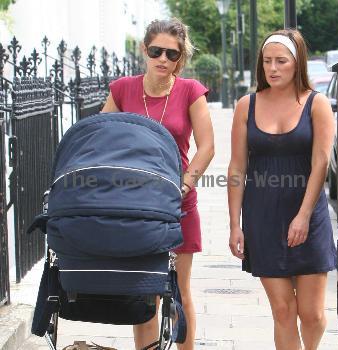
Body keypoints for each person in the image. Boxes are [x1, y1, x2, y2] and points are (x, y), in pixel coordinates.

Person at [101, 18, 214, 350]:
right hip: (135, 205)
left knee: (178, 290)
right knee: (143, 292)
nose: (163, 59)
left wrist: (184, 186)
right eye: (156, 51)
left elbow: (207, 147)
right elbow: (101, 136)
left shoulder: (191, 91)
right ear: (144, 50)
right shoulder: (122, 89)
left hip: (178, 203)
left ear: (181, 58)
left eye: (172, 54)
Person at [227, 29, 337, 350]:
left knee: (312, 315)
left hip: (308, 215)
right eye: (266, 62)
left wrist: (303, 216)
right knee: (283, 310)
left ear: (297, 63)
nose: (272, 69)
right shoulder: (246, 106)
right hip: (262, 217)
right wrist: (235, 224)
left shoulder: (316, 105)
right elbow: (237, 167)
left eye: (280, 61)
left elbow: (320, 165)